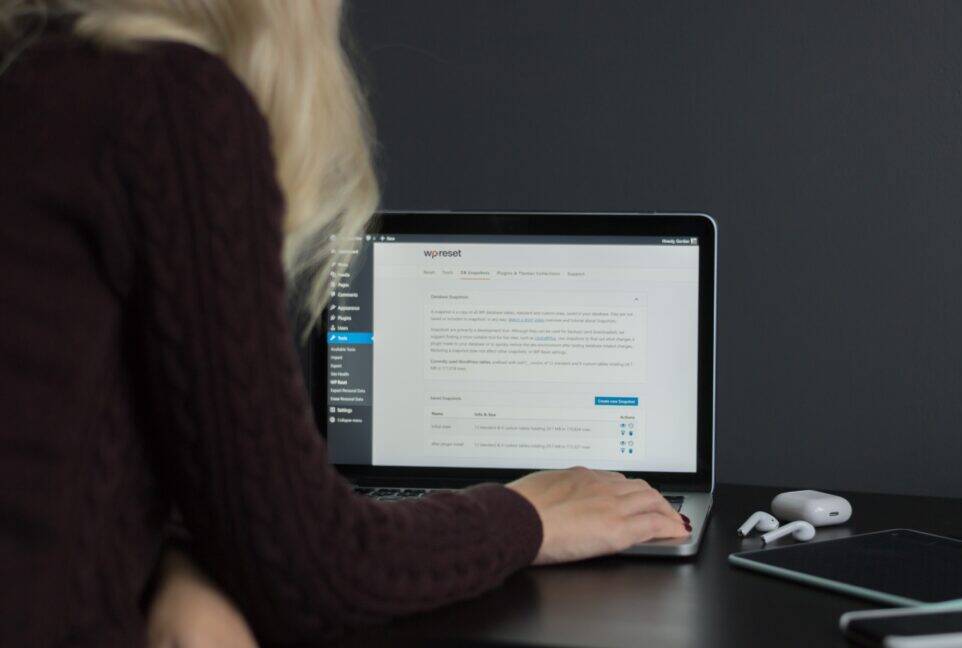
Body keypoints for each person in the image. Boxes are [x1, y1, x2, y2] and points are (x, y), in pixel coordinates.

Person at [0, 1, 690, 645]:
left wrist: (188, 563)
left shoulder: (32, 74)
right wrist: (532, 515)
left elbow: (80, 434)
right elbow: (313, 563)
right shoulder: (164, 101)